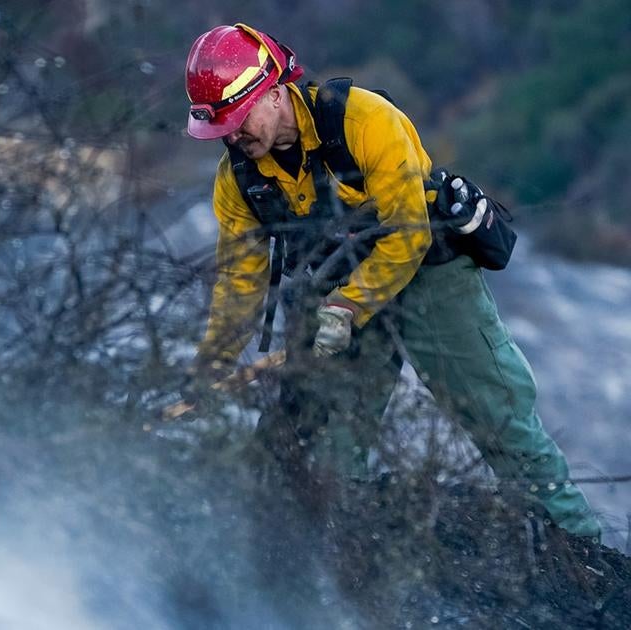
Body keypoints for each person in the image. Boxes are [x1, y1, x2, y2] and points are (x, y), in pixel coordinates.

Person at [182, 23, 602, 540]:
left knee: (501, 422)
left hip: (430, 275)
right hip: (337, 291)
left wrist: (349, 307)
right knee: (329, 445)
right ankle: (340, 562)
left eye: (238, 122)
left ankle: (584, 552)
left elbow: (409, 233)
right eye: (221, 130)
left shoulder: (365, 120)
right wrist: (213, 364)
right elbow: (237, 285)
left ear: (271, 93)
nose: (232, 138)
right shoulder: (237, 180)